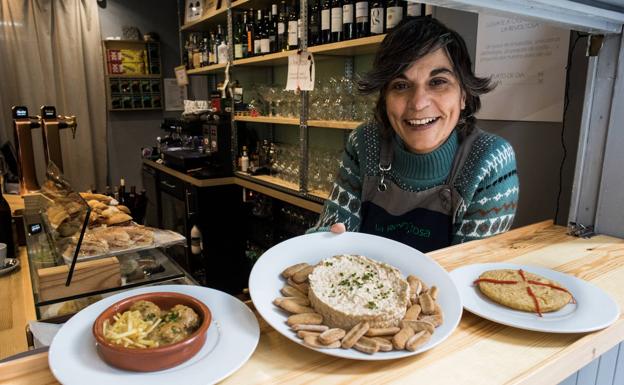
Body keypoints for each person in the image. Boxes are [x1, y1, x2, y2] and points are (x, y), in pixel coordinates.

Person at [308, 16, 519, 252]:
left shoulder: (489, 159)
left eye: (438, 82)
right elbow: (332, 233)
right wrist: (322, 241)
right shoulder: (365, 143)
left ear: (464, 95)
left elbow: (467, 271)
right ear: (385, 98)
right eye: (400, 85)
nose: (418, 103)